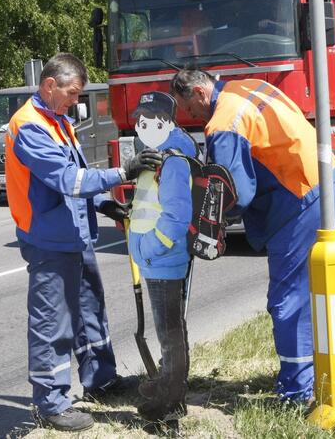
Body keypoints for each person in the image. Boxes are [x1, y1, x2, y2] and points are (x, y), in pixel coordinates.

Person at [170, 69, 335, 405]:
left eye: (188, 108)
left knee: (290, 301)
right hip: (332, 179)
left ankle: (297, 394)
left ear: (199, 92)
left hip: (299, 201)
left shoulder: (223, 122)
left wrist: (204, 221)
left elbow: (235, 193)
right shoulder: (252, 87)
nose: (191, 117)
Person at [4, 53, 162, 432]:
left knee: (90, 312)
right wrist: (124, 171)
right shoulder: (29, 128)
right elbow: (67, 180)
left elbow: (81, 179)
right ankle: (51, 404)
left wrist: (109, 205)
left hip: (75, 235)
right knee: (53, 323)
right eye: (73, 93)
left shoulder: (58, 121)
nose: (77, 101)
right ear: (49, 86)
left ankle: (101, 380)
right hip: (48, 240)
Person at [126, 91, 198, 422]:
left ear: (165, 122)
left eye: (148, 121)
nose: (141, 126)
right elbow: (148, 201)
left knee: (169, 333)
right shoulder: (154, 154)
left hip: (163, 259)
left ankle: (171, 400)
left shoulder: (172, 159)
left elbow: (177, 214)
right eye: (138, 121)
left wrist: (152, 247)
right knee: (167, 329)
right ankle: (168, 382)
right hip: (154, 258)